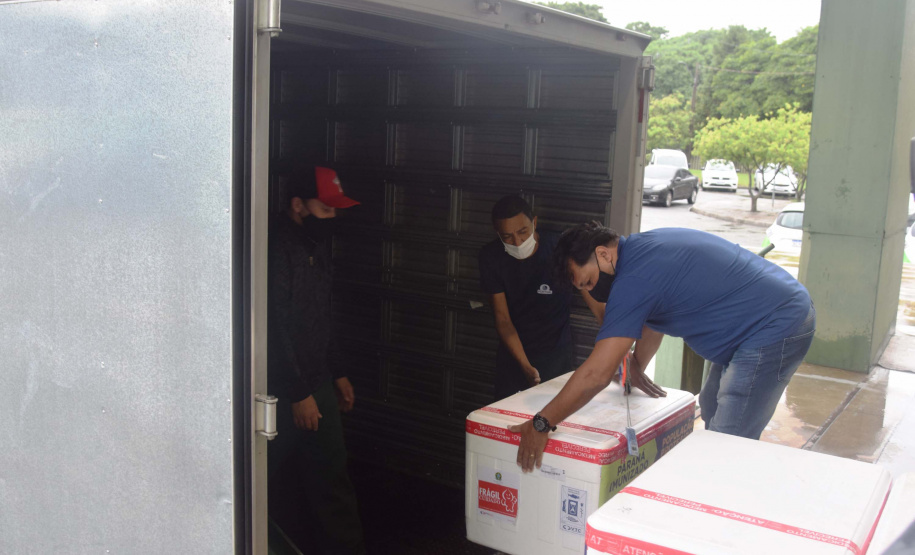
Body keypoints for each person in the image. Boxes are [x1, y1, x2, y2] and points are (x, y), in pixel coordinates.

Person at [510, 222, 816, 472]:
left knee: (729, 435)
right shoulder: (642, 250)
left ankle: (722, 507)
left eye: (588, 282)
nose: (592, 291)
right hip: (759, 317)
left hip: (774, 323)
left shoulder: (634, 278)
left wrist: (542, 423)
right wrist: (637, 365)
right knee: (711, 405)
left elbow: (596, 374)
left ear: (602, 254)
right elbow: (654, 322)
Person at [267, 166, 365, 554]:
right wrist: (298, 393)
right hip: (281, 391)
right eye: (325, 209)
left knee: (331, 476)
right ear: (298, 205)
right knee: (256, 479)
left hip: (317, 382)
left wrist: (337, 372)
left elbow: (322, 314)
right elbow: (274, 326)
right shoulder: (275, 249)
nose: (332, 217)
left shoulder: (316, 246)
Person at [478, 195, 575, 399]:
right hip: (513, 357)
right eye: (507, 236)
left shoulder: (559, 248)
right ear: (497, 233)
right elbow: (503, 319)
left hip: (556, 355)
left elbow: (592, 296)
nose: (517, 242)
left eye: (523, 232)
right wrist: (524, 365)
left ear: (534, 222)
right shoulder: (491, 257)